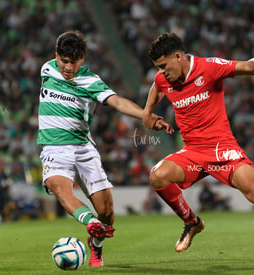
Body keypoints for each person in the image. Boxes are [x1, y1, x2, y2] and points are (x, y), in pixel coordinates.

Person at [142, 32, 254, 257]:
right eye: (158, 68)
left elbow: (249, 68)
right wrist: (147, 113)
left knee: (251, 187)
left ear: (178, 56)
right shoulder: (164, 79)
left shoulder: (209, 67)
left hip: (222, 149)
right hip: (192, 152)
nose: (161, 73)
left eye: (163, 66)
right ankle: (192, 222)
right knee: (157, 176)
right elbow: (157, 87)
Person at [37, 31, 171, 267]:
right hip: (54, 148)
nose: (68, 67)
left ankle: (96, 244)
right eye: (64, 61)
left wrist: (146, 115)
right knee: (61, 189)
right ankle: (90, 223)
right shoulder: (47, 69)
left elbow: (117, 101)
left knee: (107, 211)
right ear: (56, 56)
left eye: (74, 62)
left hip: (83, 148)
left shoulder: (90, 81)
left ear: (83, 59)